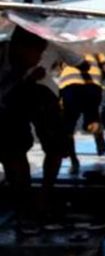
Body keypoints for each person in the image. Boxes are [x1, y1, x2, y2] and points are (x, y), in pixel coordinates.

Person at [0, 27, 67, 229]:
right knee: (12, 150)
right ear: (20, 48)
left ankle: (45, 195)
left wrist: (28, 79)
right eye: (37, 53)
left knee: (56, 142)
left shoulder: (29, 70)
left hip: (30, 93)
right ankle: (23, 201)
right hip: (6, 104)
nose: (39, 59)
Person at [58, 54, 105, 175]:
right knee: (92, 118)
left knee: (68, 127)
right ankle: (97, 131)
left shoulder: (64, 43)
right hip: (93, 82)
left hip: (70, 82)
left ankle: (74, 161)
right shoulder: (93, 44)